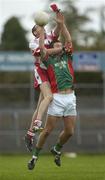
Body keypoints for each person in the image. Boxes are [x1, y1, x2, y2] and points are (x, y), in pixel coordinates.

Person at [28, 13, 77, 170]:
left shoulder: (68, 56)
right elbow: (42, 50)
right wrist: (42, 35)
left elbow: (67, 39)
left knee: (70, 132)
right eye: (55, 44)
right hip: (57, 98)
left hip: (70, 97)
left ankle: (56, 148)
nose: (57, 45)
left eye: (58, 44)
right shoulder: (49, 60)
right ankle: (35, 156)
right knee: (48, 130)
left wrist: (62, 24)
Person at [25, 12, 62, 152]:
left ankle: (29, 134)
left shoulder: (50, 37)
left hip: (50, 73)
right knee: (49, 97)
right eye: (37, 27)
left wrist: (59, 23)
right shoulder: (33, 43)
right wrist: (58, 49)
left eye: (42, 27)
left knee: (41, 104)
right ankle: (38, 122)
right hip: (41, 72)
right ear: (35, 32)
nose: (41, 28)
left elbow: (57, 32)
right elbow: (43, 53)